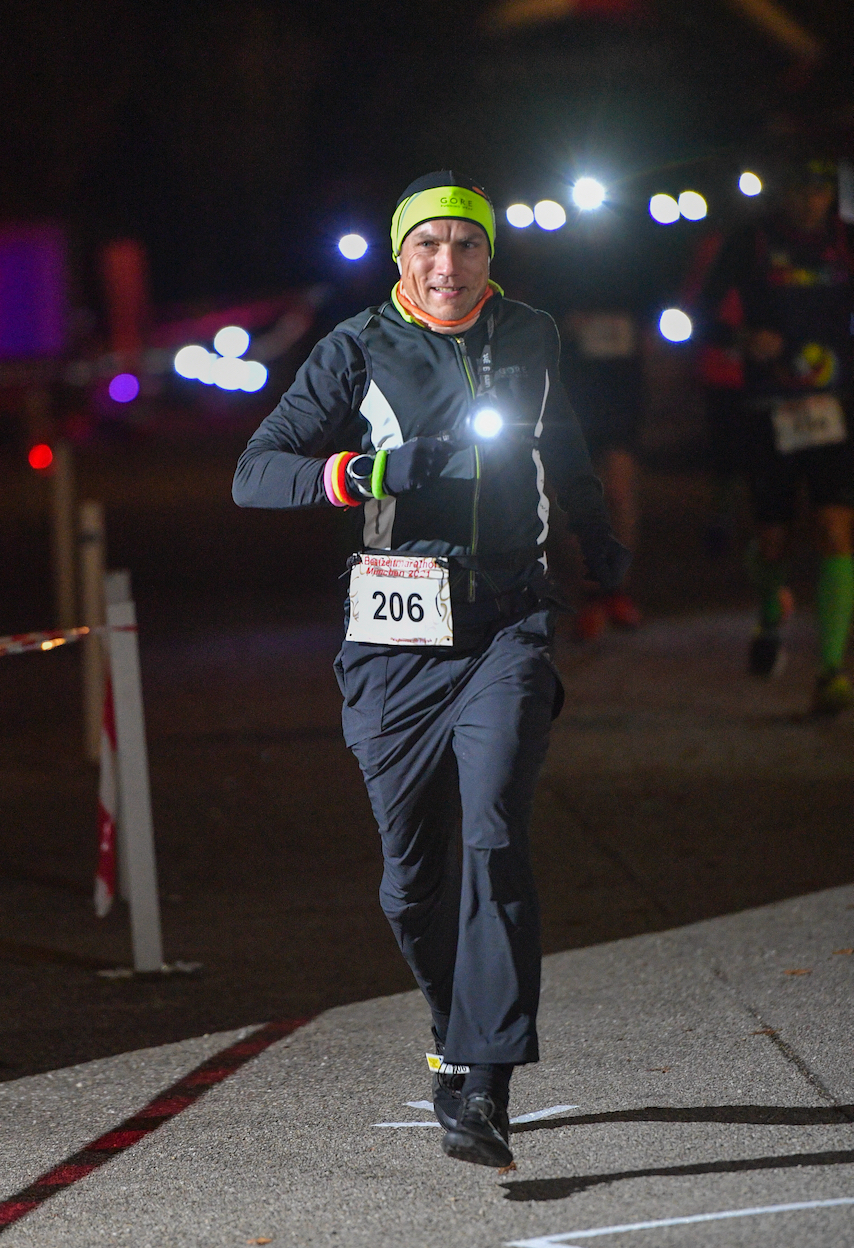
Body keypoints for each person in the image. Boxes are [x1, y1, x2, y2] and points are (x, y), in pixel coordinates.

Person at [233, 172, 628, 1166]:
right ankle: (457, 1031)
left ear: (491, 256)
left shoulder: (530, 333)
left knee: (493, 826)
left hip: (508, 613)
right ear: (398, 255)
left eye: (467, 245)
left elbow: (563, 438)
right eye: (427, 246)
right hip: (395, 630)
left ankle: (483, 1080)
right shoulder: (358, 345)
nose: (447, 265)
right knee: (411, 882)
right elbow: (255, 469)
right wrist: (364, 472)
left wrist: (594, 531)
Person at [701, 158, 854, 713]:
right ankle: (771, 611)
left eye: (820, 191)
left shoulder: (845, 241)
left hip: (834, 407)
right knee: (772, 541)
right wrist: (740, 337)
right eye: (798, 189)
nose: (809, 201)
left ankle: (832, 671)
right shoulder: (751, 243)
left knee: (837, 528)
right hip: (770, 408)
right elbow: (698, 312)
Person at [560, 308, 643, 637]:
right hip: (572, 392)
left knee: (619, 493)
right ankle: (590, 596)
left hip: (620, 389)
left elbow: (650, 304)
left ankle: (616, 589)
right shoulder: (555, 267)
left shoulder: (629, 266)